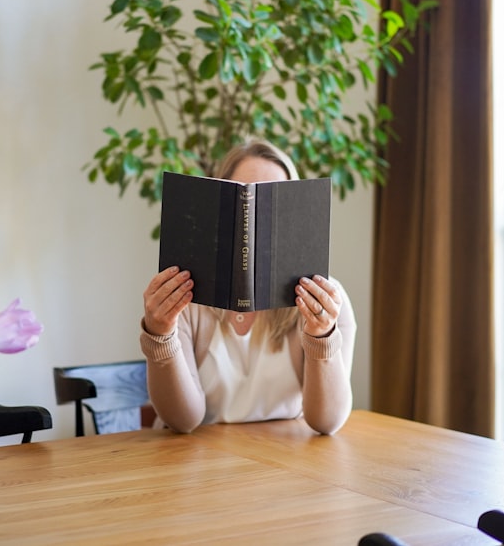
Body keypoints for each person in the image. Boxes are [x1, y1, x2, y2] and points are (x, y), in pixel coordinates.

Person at [140, 138, 357, 435]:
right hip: (192, 462)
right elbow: (182, 421)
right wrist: (160, 333)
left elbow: (326, 422)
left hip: (286, 461)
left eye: (270, 201)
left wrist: (322, 336)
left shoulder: (327, 300)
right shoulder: (186, 296)